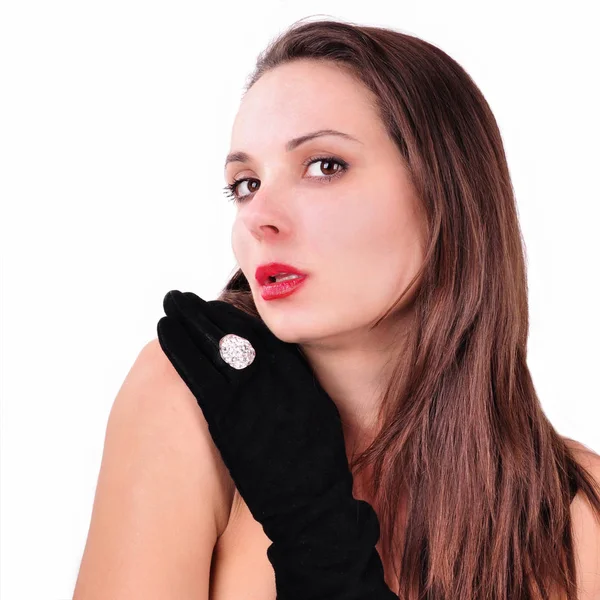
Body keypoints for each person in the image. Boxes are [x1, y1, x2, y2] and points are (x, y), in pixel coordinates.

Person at [73, 17, 600, 599]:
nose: (258, 216)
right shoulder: (191, 398)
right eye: (245, 183)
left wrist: (315, 529)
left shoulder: (578, 506)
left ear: (446, 196)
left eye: (324, 166)